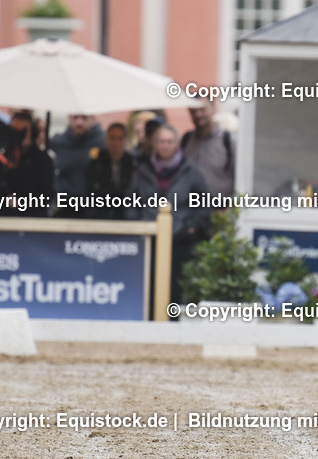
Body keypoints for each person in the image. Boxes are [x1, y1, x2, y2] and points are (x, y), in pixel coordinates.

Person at [127, 125, 211, 307]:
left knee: (176, 289)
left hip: (180, 241)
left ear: (177, 144)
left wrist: (192, 227)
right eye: (162, 141)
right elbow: (131, 203)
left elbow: (204, 204)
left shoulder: (191, 172)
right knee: (148, 287)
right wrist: (138, 225)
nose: (166, 146)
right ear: (155, 144)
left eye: (169, 142)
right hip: (149, 240)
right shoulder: (142, 171)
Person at [49, 114, 106, 215]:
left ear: (93, 119)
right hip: (64, 208)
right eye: (75, 117)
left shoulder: (103, 143)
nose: (79, 122)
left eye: (84, 118)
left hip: (94, 208)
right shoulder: (57, 143)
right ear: (69, 118)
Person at [5, 111, 55, 217]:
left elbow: (46, 196)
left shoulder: (43, 160)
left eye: (22, 132)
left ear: (33, 133)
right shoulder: (4, 158)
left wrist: (21, 202)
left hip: (33, 220)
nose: (18, 136)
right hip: (5, 218)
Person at [182, 99, 235, 198]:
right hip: (190, 208)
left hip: (220, 209)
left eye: (202, 110)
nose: (198, 115)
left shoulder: (228, 141)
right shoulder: (186, 140)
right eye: (193, 111)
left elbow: (239, 177)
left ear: (212, 108)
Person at [85, 122, 136, 219]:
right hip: (99, 215)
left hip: (125, 216)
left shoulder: (132, 163)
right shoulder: (96, 163)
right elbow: (91, 193)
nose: (116, 143)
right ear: (106, 140)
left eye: (120, 138)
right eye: (113, 138)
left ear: (126, 141)